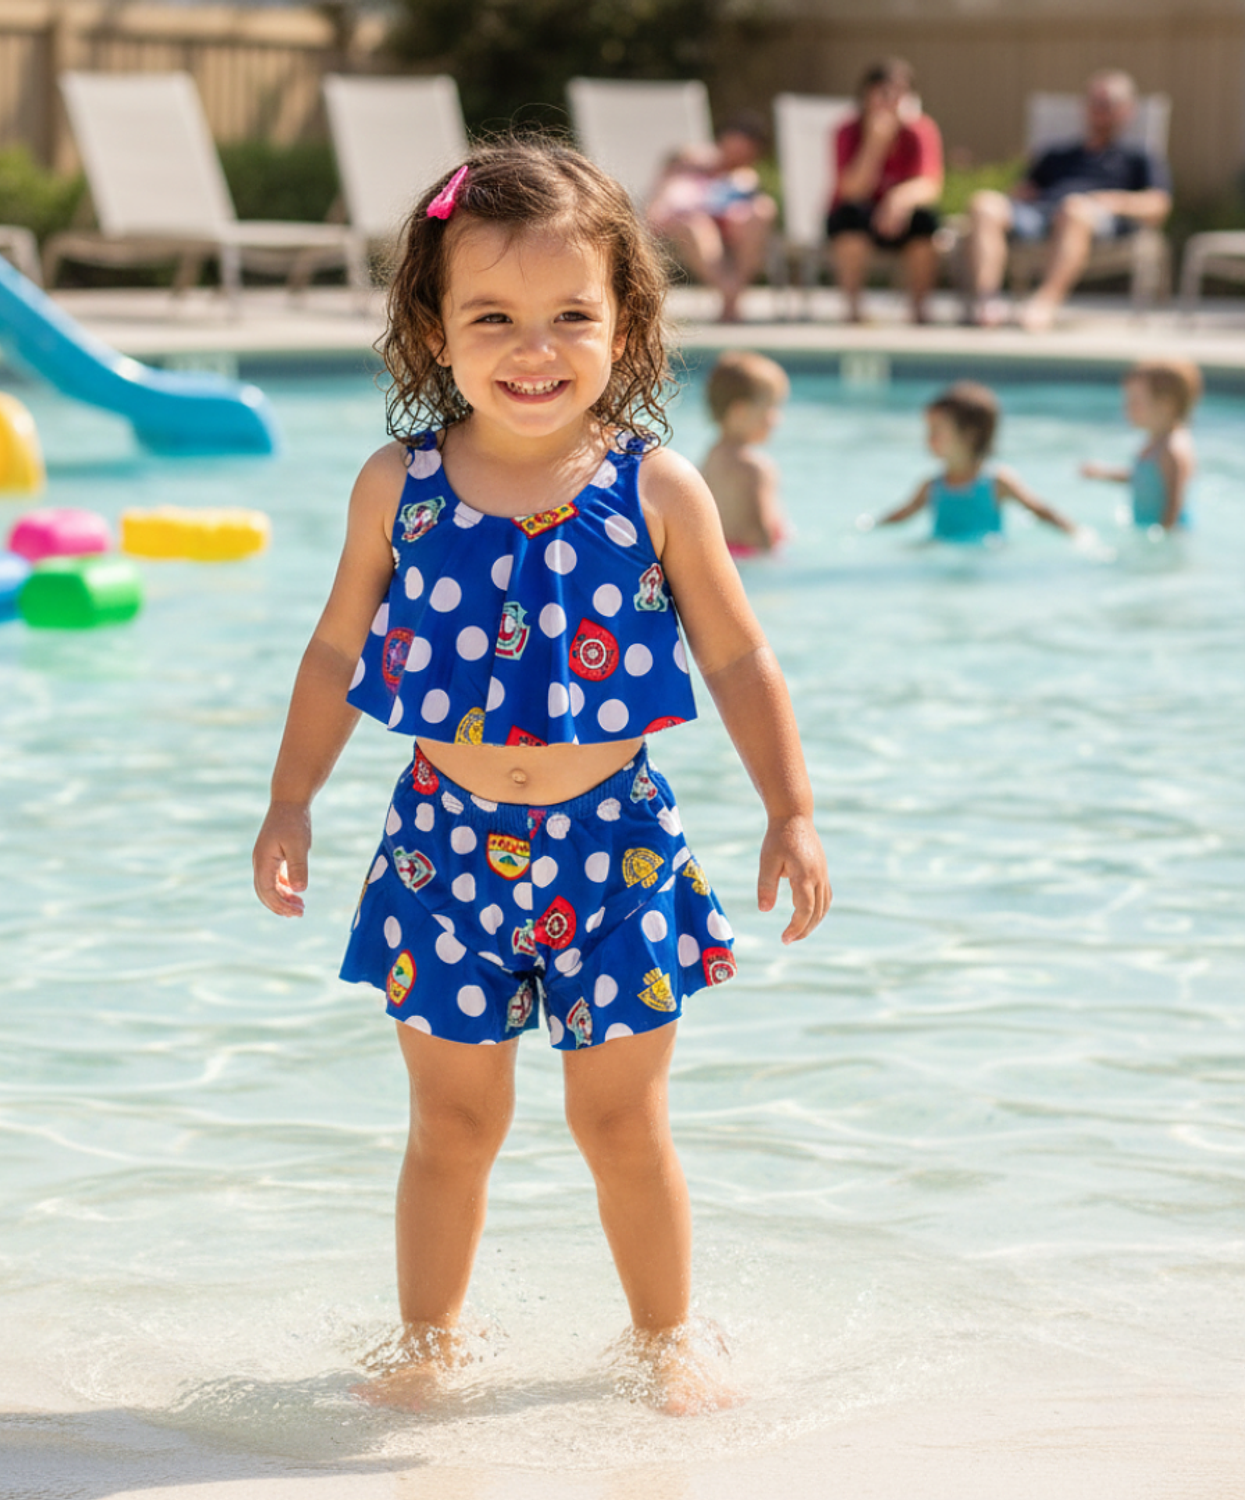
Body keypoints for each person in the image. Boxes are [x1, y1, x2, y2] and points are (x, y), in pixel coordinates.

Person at [251, 139, 830, 1414]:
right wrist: (291, 798)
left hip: (614, 849)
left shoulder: (658, 488)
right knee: (451, 1127)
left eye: (573, 315)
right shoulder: (398, 489)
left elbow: (737, 658)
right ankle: (428, 1345)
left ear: (626, 322)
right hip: (442, 850)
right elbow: (338, 645)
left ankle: (669, 1339)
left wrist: (790, 809)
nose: (536, 347)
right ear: (434, 328)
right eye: (494, 316)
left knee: (621, 1125)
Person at [966, 70, 1172, 332]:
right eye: (1093, 103)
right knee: (983, 203)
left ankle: (1043, 304)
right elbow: (1022, 192)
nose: (1098, 110)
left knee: (1074, 208)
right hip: (1041, 217)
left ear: (1126, 110)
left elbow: (1159, 205)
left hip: (1095, 222)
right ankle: (987, 302)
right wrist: (1014, 197)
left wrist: (1113, 202)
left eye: (1107, 104)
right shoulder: (1056, 154)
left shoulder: (1139, 157)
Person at [876, 381, 1079, 542]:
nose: (928, 439)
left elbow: (1040, 510)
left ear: (969, 435)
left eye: (936, 431)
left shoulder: (997, 482)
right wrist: (869, 527)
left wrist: (1076, 533)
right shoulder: (932, 486)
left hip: (987, 558)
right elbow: (900, 516)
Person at [826, 58, 945, 325]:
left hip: (898, 216)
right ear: (866, 95)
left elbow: (931, 184)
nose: (892, 100)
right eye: (884, 92)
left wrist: (897, 199)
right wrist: (875, 143)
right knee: (849, 221)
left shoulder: (921, 130)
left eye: (901, 93)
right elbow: (851, 190)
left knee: (926, 223)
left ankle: (919, 310)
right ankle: (853, 310)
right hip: (860, 215)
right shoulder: (848, 130)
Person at [647, 113, 778, 323]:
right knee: (697, 226)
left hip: (727, 230)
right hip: (684, 224)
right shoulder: (687, 163)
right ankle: (731, 295)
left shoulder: (744, 179)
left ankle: (730, 298)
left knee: (762, 211)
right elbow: (662, 204)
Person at [1081, 358, 1201, 531]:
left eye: (1135, 402)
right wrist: (1104, 474)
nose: (1126, 408)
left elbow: (1174, 503)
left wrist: (1162, 542)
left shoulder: (1173, 449)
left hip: (1168, 536)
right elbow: (1144, 478)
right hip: (1145, 528)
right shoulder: (1155, 439)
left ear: (1166, 405)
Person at [699, 351, 790, 557]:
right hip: (751, 559)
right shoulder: (754, 467)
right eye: (771, 408)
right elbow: (763, 533)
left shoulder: (711, 457)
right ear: (740, 412)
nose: (777, 419)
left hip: (722, 556)